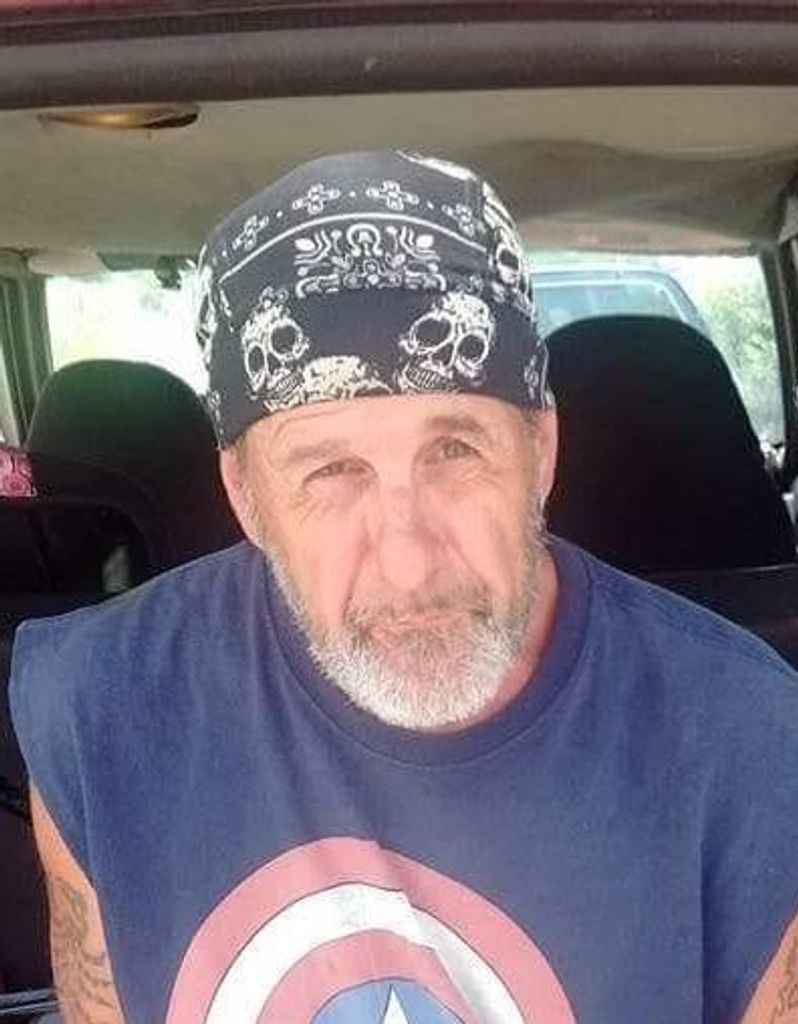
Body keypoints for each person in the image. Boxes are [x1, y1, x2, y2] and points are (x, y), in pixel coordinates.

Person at [10, 150, 798, 1024]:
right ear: (245, 495)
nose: (410, 561)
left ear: (541, 451)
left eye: (455, 451)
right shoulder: (103, 706)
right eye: (330, 471)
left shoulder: (742, 733)